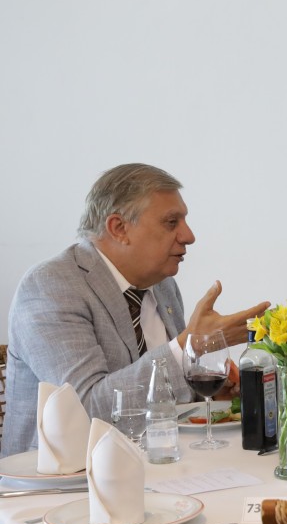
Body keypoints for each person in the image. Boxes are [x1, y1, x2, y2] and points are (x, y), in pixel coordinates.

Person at [3, 163, 270, 457]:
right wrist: (187, 348)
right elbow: (86, 410)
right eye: (171, 222)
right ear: (119, 228)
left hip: (159, 462)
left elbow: (160, 396)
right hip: (67, 475)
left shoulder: (163, 285)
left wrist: (209, 391)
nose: (188, 235)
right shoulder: (51, 287)